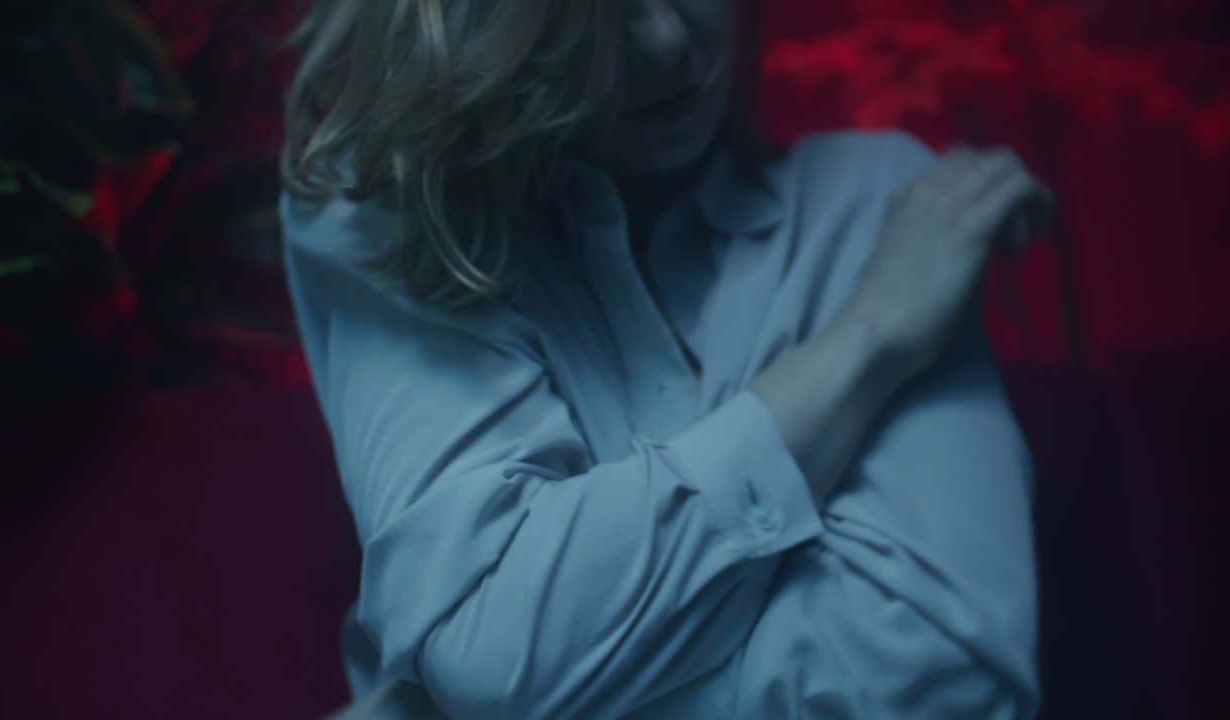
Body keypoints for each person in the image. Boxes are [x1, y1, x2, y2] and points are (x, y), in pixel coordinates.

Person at [279, 1, 1057, 718]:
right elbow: (490, 647)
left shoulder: (882, 207)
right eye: (590, 9)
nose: (664, 41)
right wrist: (870, 339)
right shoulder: (383, 216)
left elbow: (941, 679)